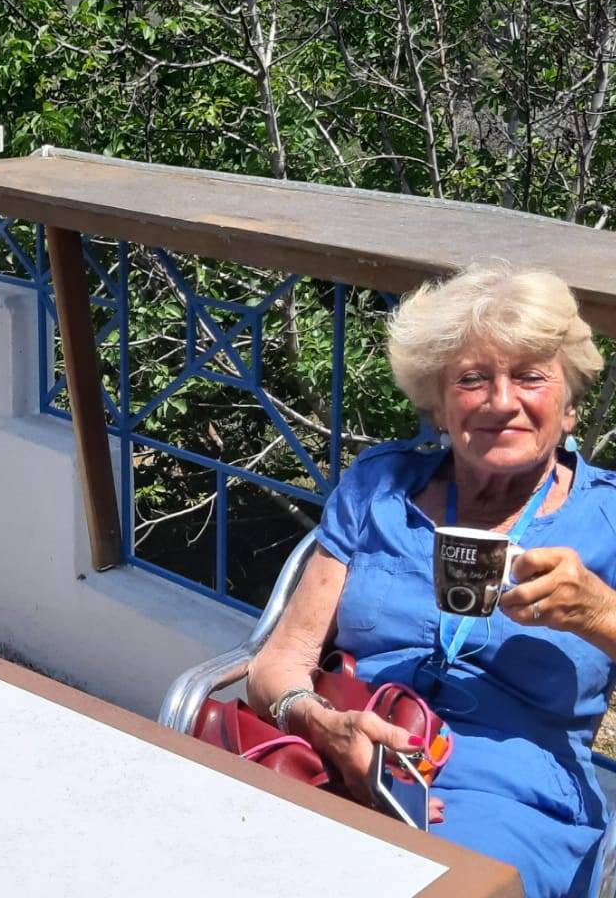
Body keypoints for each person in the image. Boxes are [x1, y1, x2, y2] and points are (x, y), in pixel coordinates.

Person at [249, 264, 616, 898]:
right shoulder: (379, 487)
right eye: (472, 379)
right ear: (440, 407)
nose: (501, 401)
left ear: (571, 405)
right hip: (345, 752)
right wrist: (319, 721)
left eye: (530, 376)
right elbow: (277, 664)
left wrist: (599, 613)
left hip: (509, 794)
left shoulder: (607, 518)